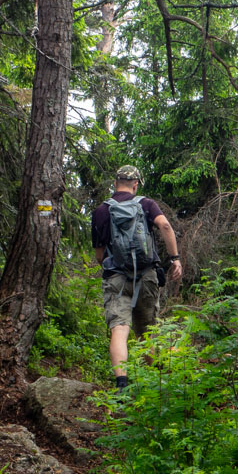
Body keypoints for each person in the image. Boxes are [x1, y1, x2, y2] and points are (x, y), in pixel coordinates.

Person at [91, 165, 182, 390]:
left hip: (116, 279)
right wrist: (175, 259)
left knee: (120, 330)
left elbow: (100, 256)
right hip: (146, 277)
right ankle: (154, 384)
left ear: (115, 184)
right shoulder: (146, 204)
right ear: (136, 184)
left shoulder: (102, 211)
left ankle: (121, 385)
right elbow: (165, 226)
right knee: (147, 331)